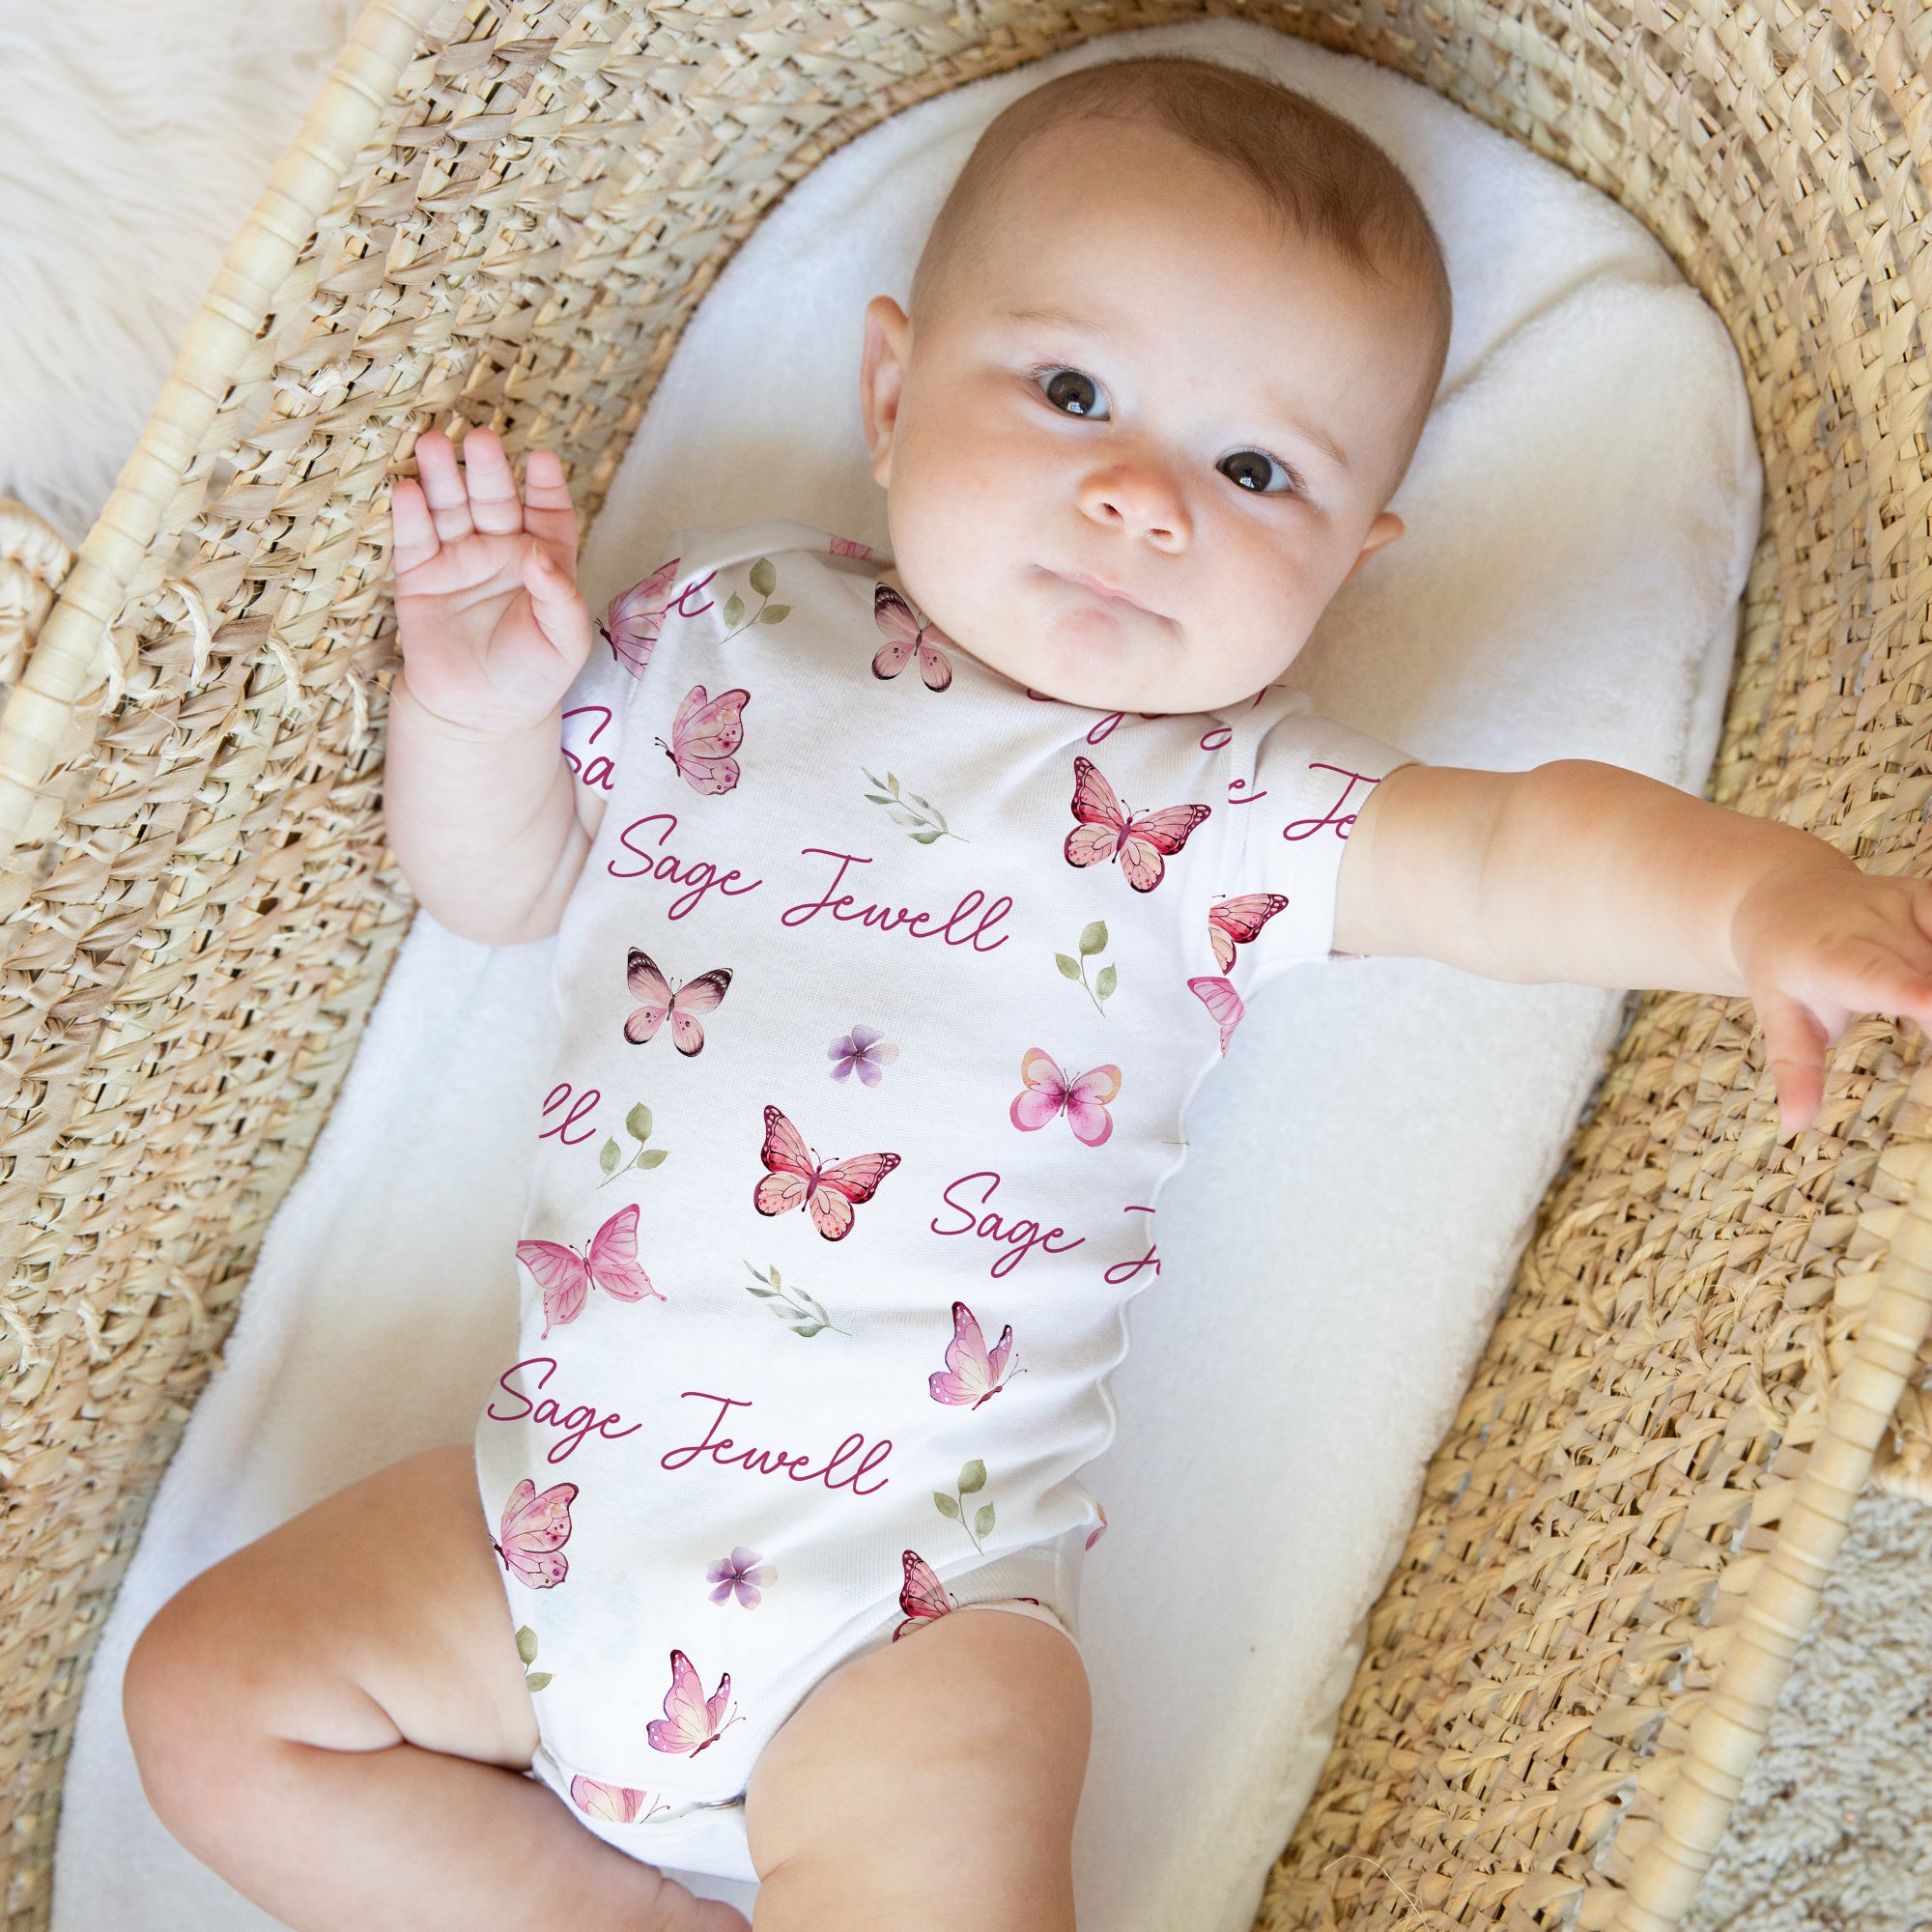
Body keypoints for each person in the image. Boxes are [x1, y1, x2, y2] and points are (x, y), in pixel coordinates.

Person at [122, 55, 1932, 1932]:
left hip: (902, 1619)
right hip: (547, 1520)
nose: (1143, 496)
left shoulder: (1213, 813)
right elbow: (497, 889)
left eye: (1256, 473)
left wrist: (1760, 903)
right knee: (211, 1701)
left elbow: (1511, 857)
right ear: (890, 396)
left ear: (1344, 563)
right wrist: (477, 707)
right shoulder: (719, 629)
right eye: (1071, 394)